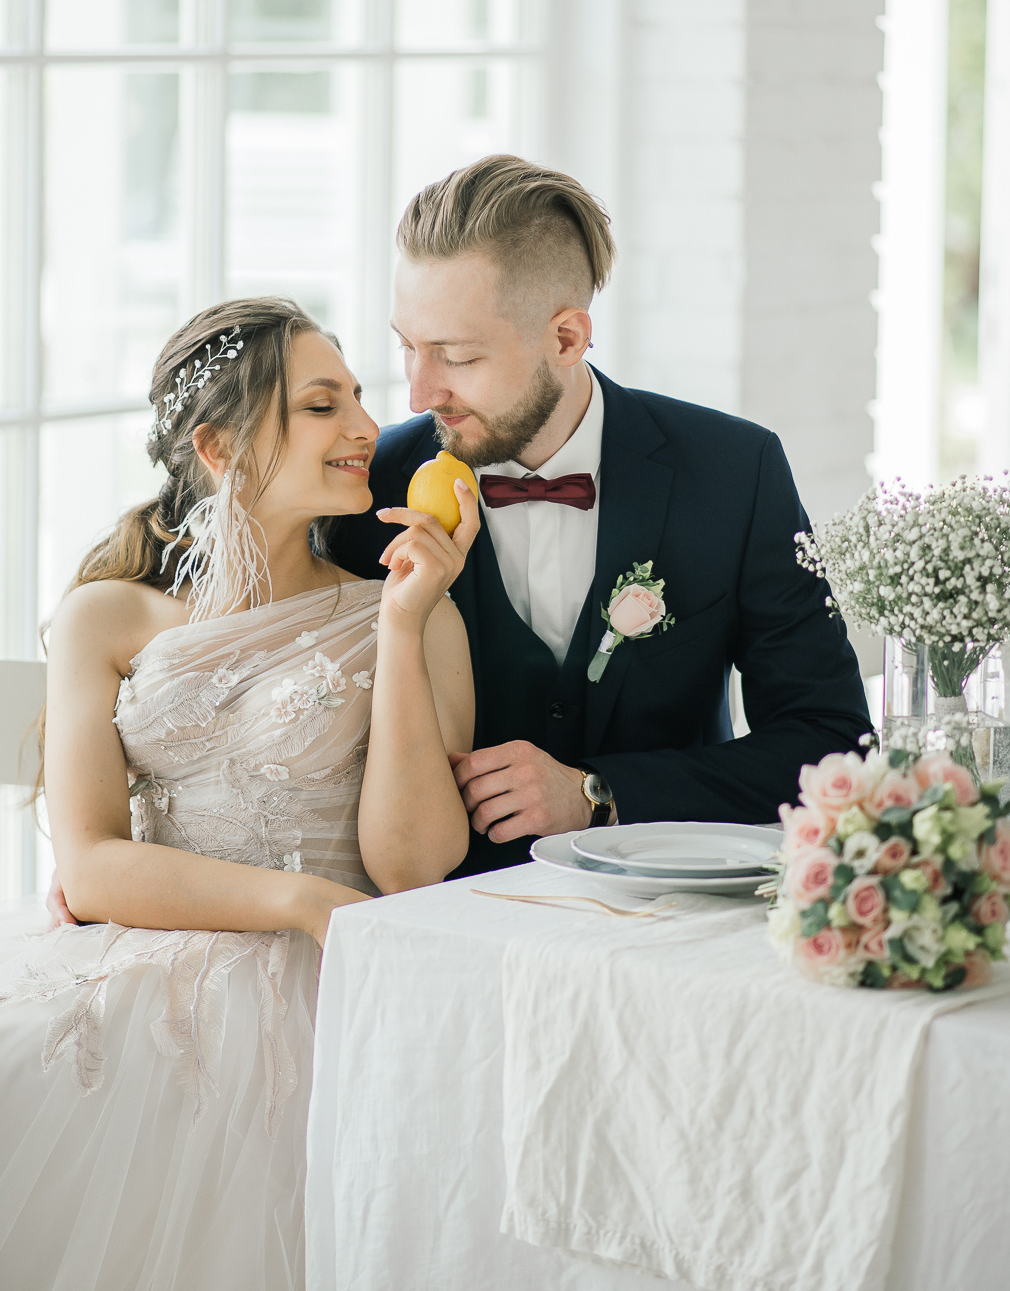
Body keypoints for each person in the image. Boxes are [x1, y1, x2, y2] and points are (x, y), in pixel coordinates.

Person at [0, 298, 476, 1291]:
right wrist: (300, 900)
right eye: (319, 404)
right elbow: (92, 865)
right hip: (131, 955)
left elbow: (416, 862)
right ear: (219, 448)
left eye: (357, 397)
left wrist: (398, 621)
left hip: (308, 1005)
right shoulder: (108, 616)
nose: (363, 428)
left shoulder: (407, 612)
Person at [330, 155, 872, 878]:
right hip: (447, 924)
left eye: (456, 356)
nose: (419, 392)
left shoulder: (733, 472)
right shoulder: (367, 489)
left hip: (676, 920)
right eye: (407, 347)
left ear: (566, 339)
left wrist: (603, 794)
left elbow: (831, 745)